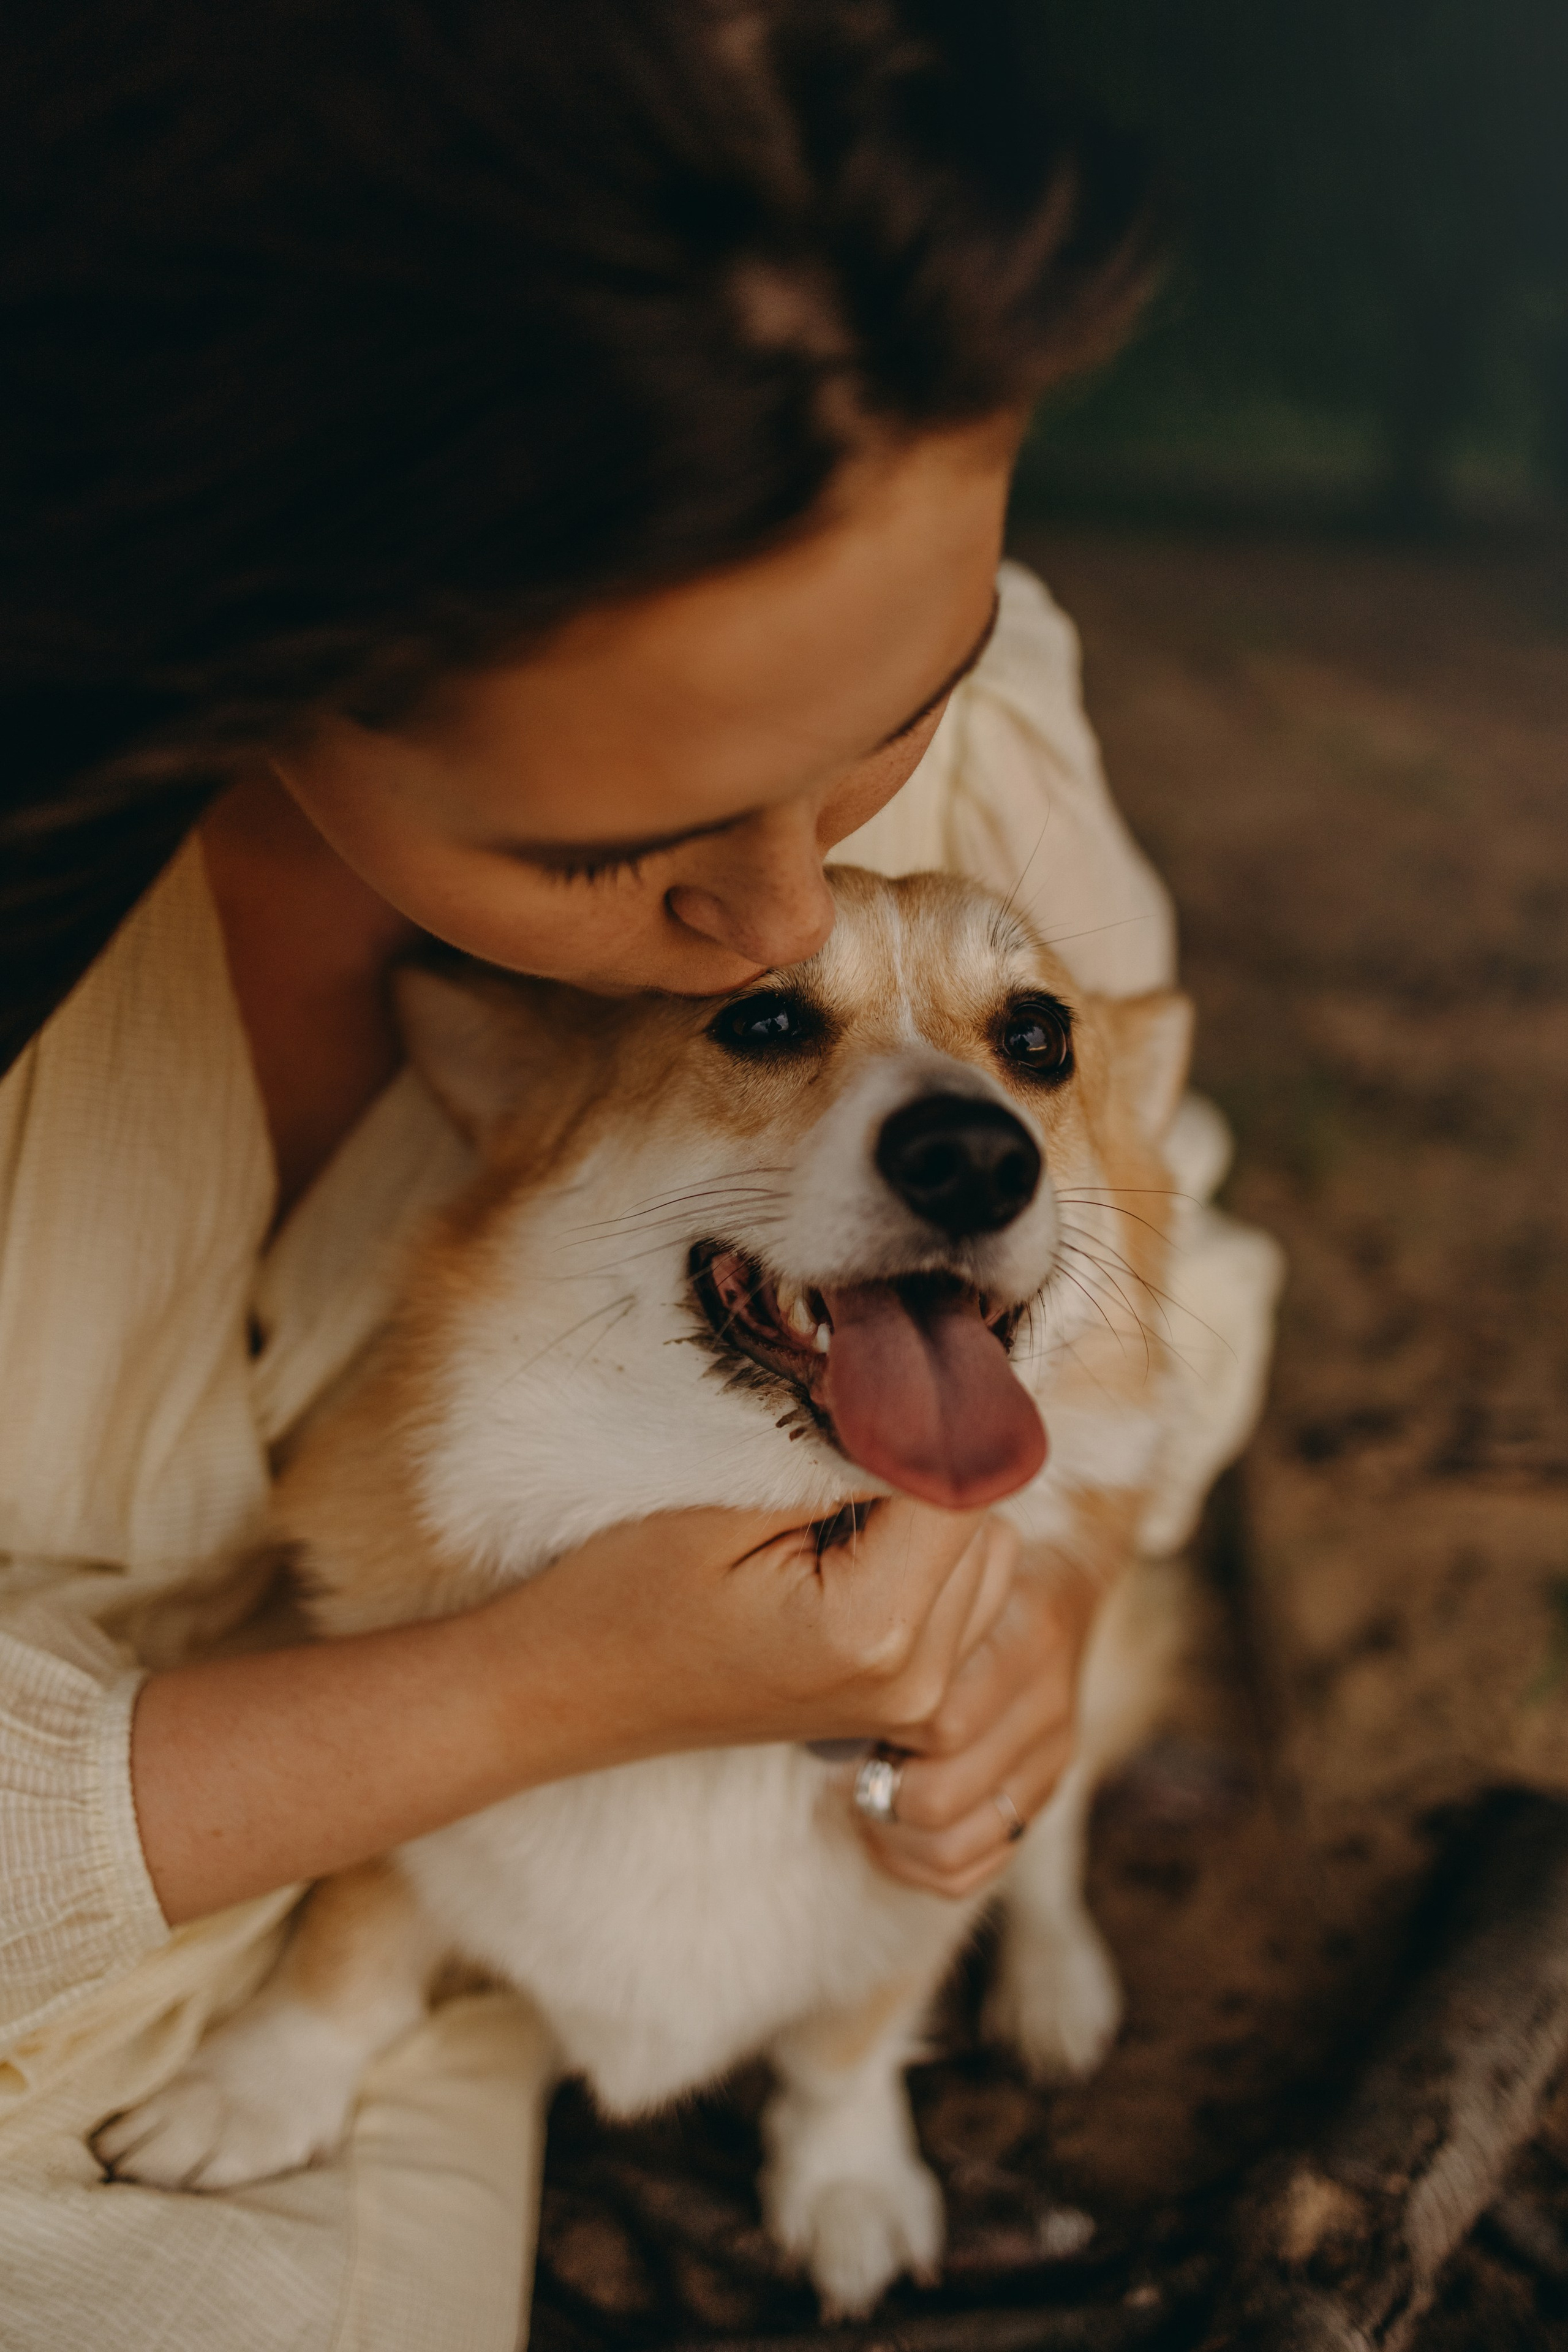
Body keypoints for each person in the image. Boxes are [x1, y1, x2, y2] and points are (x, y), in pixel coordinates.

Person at [0, 6, 1279, 2347]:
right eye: (617, 843)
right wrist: (513, 1701)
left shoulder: (992, 760)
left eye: (897, 708)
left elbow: (1147, 1193)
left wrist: (1062, 1596)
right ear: (235, 651)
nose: (794, 907)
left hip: (408, 2035)